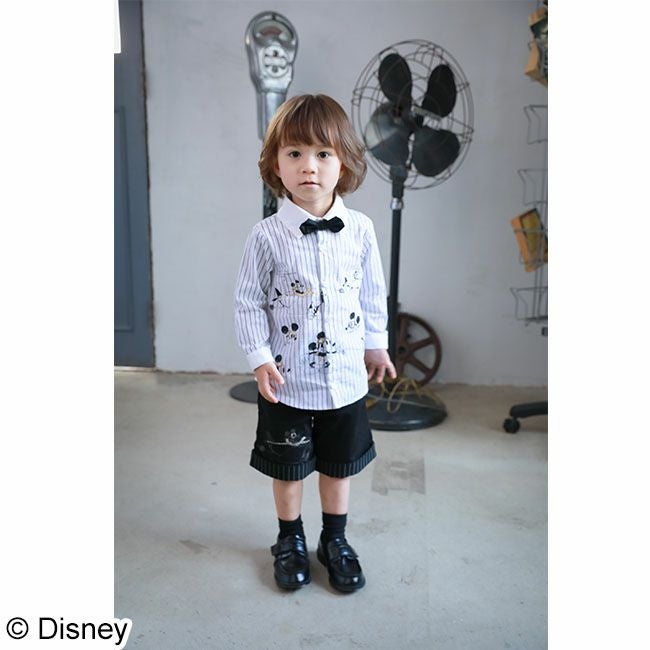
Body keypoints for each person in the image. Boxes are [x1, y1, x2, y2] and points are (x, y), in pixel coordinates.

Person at [234, 94, 396, 593]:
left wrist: (376, 344)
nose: (309, 166)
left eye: (323, 154)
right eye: (295, 153)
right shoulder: (265, 237)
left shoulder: (361, 230)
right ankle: (289, 539)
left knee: (337, 465)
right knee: (288, 468)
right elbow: (247, 302)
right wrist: (259, 358)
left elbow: (372, 293)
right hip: (287, 382)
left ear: (343, 162)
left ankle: (334, 539)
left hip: (345, 379)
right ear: (275, 165)